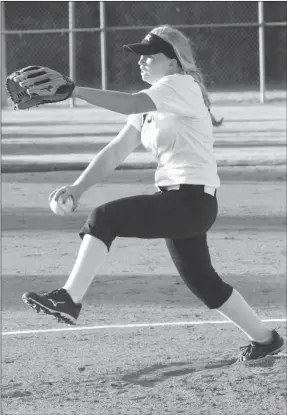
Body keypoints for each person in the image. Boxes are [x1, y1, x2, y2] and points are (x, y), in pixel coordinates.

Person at [22, 25, 284, 363]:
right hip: (183, 203)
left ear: (173, 62)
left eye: (150, 56)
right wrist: (78, 187)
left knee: (105, 218)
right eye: (139, 56)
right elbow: (117, 150)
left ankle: (69, 298)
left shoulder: (181, 85)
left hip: (190, 200)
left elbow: (129, 101)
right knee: (204, 282)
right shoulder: (150, 103)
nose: (141, 62)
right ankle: (265, 338)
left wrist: (76, 90)